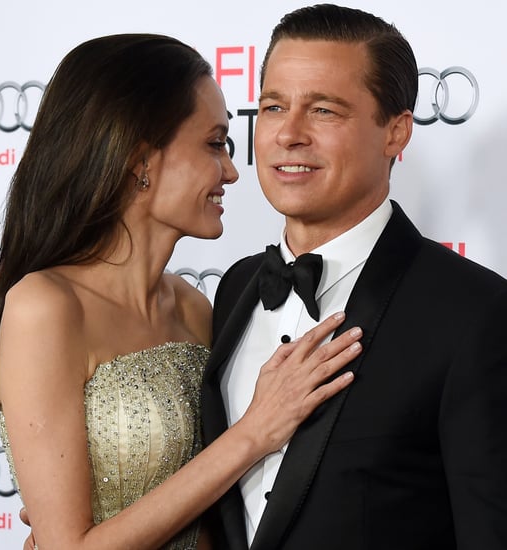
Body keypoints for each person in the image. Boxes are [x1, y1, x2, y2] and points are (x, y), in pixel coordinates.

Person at [0, 34, 364, 550]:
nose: (232, 172)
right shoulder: (46, 307)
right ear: (139, 159)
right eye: (214, 144)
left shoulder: (196, 309)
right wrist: (253, 432)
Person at [201, 4, 507, 550]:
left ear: (396, 132)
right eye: (273, 106)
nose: (288, 134)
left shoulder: (475, 311)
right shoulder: (234, 288)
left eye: (323, 110)